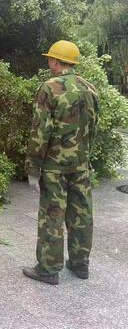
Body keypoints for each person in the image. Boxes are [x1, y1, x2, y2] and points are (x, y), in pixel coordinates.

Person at [23, 40, 99, 285]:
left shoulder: (49, 88)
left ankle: (48, 268)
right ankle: (80, 264)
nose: (49, 62)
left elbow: (40, 131)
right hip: (81, 164)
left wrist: (33, 167)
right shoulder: (90, 89)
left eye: (50, 59)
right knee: (82, 213)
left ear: (55, 61)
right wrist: (85, 156)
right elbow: (93, 128)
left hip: (54, 166)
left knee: (52, 215)